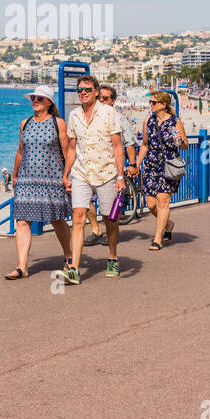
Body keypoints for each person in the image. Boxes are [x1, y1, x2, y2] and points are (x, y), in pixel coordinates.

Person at [4, 85, 73, 281]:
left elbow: (67, 152)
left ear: (49, 103)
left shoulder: (58, 123)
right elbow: (20, 151)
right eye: (33, 98)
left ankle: (69, 256)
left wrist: (67, 176)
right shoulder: (24, 123)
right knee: (23, 221)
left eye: (40, 99)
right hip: (27, 179)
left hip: (52, 178)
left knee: (56, 219)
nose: (35, 101)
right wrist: (14, 176)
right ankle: (21, 267)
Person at [64, 75, 125, 283]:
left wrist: (120, 176)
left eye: (87, 90)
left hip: (106, 173)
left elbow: (118, 146)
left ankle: (113, 256)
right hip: (81, 172)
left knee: (110, 219)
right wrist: (66, 174)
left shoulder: (109, 113)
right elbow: (72, 148)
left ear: (96, 92)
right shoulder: (74, 116)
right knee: (78, 216)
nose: (83, 93)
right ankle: (74, 268)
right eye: (79, 90)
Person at [87, 84, 141, 246]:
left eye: (106, 98)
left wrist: (132, 164)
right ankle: (95, 229)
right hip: (90, 166)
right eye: (99, 98)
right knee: (85, 200)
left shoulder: (119, 118)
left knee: (110, 204)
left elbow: (130, 143)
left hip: (110, 167)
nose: (102, 101)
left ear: (113, 101)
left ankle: (111, 231)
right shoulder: (89, 116)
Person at [137, 89, 187, 251]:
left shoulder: (174, 122)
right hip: (151, 165)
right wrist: (136, 165)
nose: (150, 105)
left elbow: (184, 144)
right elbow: (145, 145)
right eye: (150, 102)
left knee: (163, 200)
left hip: (168, 164)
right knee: (151, 204)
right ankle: (168, 224)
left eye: (153, 102)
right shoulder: (148, 121)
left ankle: (157, 239)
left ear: (163, 105)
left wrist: (180, 140)